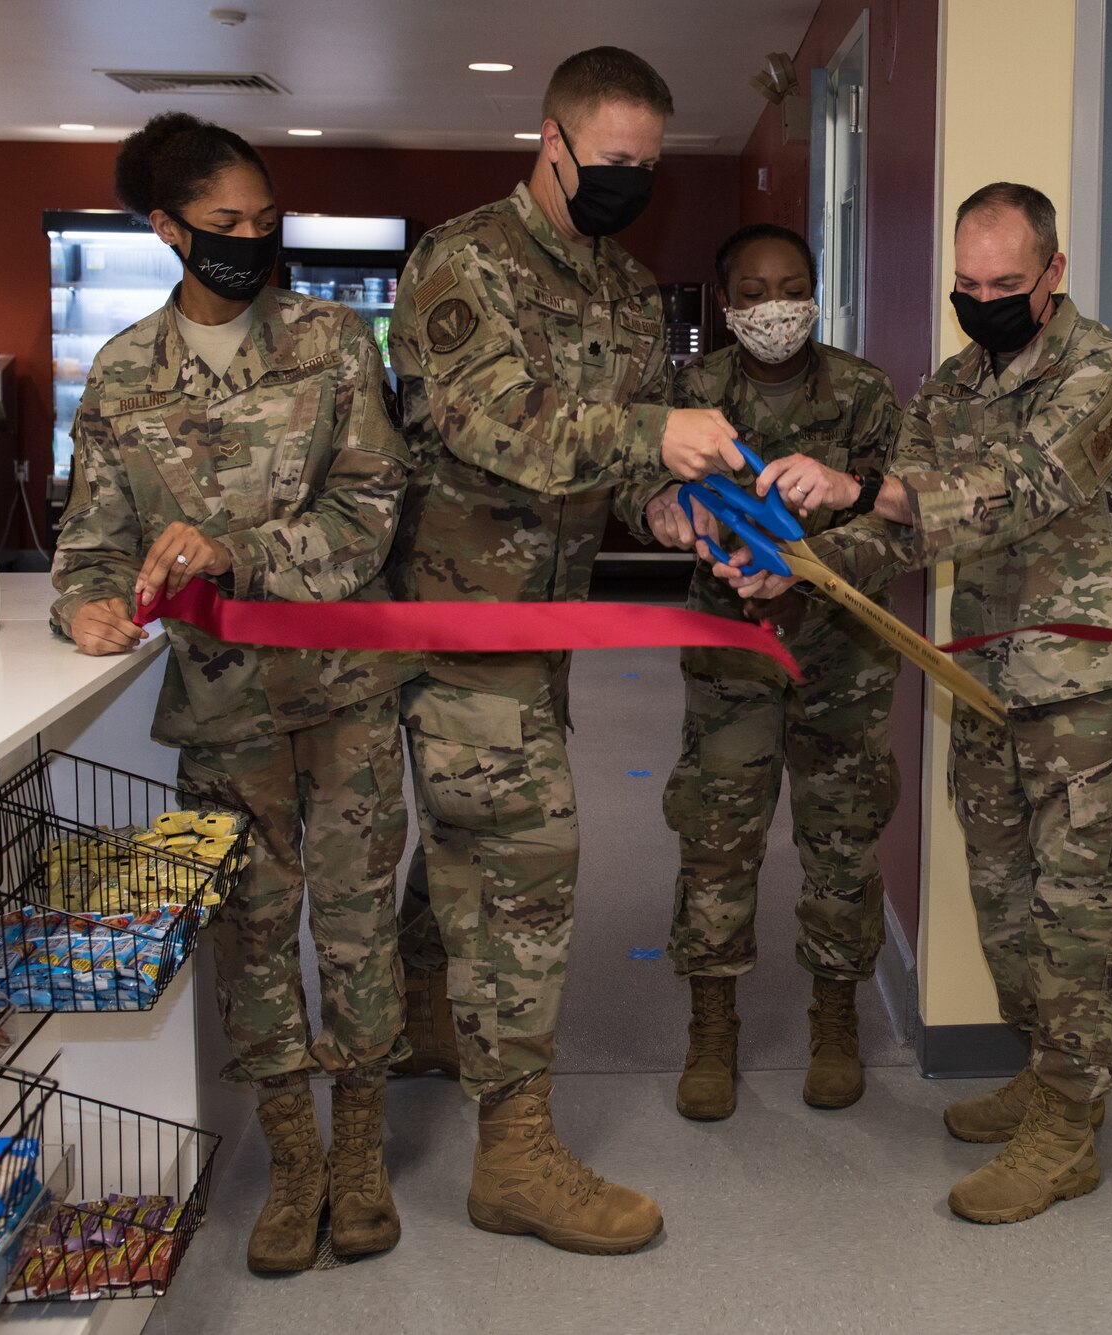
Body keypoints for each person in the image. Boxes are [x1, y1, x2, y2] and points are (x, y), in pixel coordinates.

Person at [718, 183, 1112, 1224]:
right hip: (982, 681)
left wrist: (856, 483)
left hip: (1089, 702)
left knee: (1082, 915)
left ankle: (1070, 1123)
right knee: (1007, 903)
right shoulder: (953, 385)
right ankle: (1043, 1072)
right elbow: (909, 526)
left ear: (1053, 274)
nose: (982, 300)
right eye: (965, 284)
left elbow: (1023, 487)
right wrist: (802, 567)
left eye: (1004, 283)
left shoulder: (1108, 375)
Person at [384, 46, 743, 1255]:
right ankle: (514, 1155)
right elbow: (488, 426)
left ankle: (427, 1010)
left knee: (471, 851)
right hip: (457, 621)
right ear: (549, 142)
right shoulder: (462, 261)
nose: (630, 183)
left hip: (546, 630)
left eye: (648, 167)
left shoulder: (630, 292)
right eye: (610, 163)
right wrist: (656, 429)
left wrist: (671, 510)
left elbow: (628, 475)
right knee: (527, 864)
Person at [51, 112, 412, 1274]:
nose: (250, 242)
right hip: (220, 712)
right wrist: (83, 605)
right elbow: (90, 540)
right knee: (251, 940)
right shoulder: (120, 373)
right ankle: (291, 1156)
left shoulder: (334, 343)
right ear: (165, 230)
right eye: (222, 225)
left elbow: (369, 516)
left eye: (265, 221)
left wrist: (238, 553)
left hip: (342, 690)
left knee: (355, 930)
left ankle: (358, 1150)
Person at [624, 223, 903, 1121]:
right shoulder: (691, 394)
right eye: (752, 291)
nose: (773, 306)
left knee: (842, 836)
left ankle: (835, 1019)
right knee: (717, 832)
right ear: (727, 303)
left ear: (815, 294)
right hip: (731, 648)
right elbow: (633, 485)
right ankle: (712, 1027)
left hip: (843, 652)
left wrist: (819, 553)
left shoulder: (863, 391)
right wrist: (661, 508)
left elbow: (897, 512)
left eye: (790, 287)